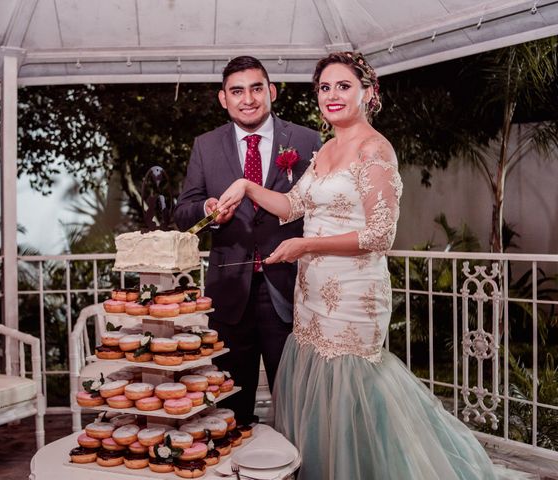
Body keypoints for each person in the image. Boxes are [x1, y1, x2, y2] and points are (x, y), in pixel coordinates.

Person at [217, 52, 528, 479]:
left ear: (368, 92)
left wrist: (304, 244)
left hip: (353, 297)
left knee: (351, 393)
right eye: (324, 87)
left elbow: (379, 236)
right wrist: (247, 185)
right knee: (317, 394)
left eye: (343, 86)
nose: (332, 95)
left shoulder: (374, 149)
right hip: (310, 300)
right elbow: (291, 205)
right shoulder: (326, 150)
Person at [174, 56, 322, 425]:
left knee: (294, 403)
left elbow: (320, 206)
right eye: (237, 91)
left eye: (256, 88)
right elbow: (183, 212)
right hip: (229, 294)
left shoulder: (306, 140)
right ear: (223, 98)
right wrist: (208, 208)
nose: (248, 98)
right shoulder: (206, 146)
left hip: (288, 289)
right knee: (229, 407)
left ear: (270, 91)